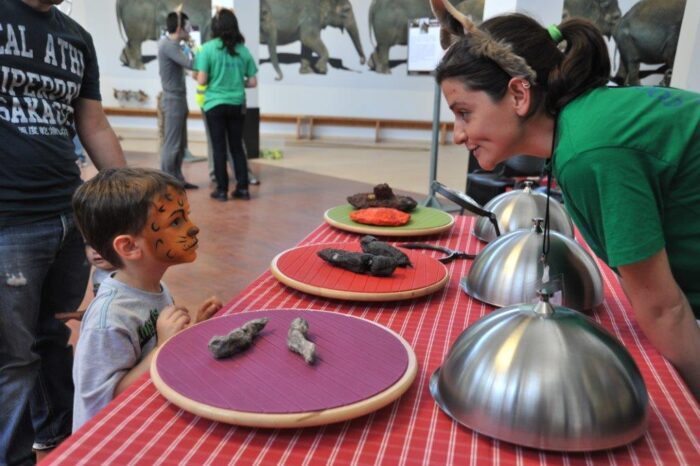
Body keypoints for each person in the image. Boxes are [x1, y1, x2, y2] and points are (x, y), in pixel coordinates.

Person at [430, 0, 700, 399]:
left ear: (519, 94)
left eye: (464, 113)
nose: (457, 134)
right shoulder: (583, 126)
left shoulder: (590, 152)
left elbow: (664, 309)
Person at [0, 0, 127, 463]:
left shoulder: (76, 37)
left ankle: (56, 438)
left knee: (52, 337)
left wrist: (124, 202)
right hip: (8, 222)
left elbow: (91, 122)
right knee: (11, 359)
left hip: (67, 214)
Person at [71, 168, 222, 431]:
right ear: (129, 247)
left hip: (149, 418)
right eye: (176, 221)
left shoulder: (155, 286)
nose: (193, 228)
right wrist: (161, 348)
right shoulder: (108, 321)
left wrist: (193, 330)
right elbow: (102, 406)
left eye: (186, 217)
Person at [195, 8, 257, 201]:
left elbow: (202, 81)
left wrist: (196, 74)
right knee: (237, 146)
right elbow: (253, 82)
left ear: (216, 27)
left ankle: (222, 190)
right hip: (237, 104)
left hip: (214, 105)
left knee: (219, 147)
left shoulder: (207, 49)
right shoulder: (243, 50)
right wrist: (238, 81)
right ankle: (243, 188)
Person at [157, 10, 198, 190]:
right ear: (180, 28)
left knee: (180, 144)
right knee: (172, 144)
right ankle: (167, 181)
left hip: (179, 98)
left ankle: (178, 179)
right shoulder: (168, 45)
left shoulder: (174, 45)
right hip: (173, 99)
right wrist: (193, 46)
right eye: (187, 28)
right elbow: (191, 64)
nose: (189, 31)